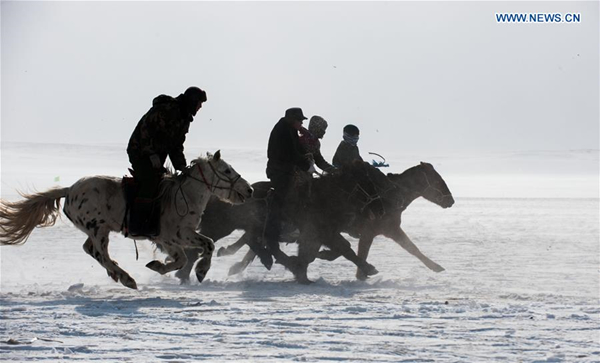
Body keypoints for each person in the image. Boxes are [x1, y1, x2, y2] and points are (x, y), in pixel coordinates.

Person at [126, 86, 207, 237]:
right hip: (139, 151)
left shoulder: (184, 119)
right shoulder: (165, 110)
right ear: (192, 101)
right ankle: (137, 224)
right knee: (150, 181)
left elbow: (176, 146)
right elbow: (146, 130)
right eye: (199, 103)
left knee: (166, 184)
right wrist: (150, 154)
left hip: (156, 156)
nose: (200, 107)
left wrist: (181, 166)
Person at [264, 107, 312, 265]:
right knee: (284, 196)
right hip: (279, 171)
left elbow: (297, 149)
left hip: (287, 170)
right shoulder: (283, 131)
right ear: (292, 119)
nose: (301, 123)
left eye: (302, 121)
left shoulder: (290, 129)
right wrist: (306, 164)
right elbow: (290, 153)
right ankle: (275, 229)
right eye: (299, 120)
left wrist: (306, 156)